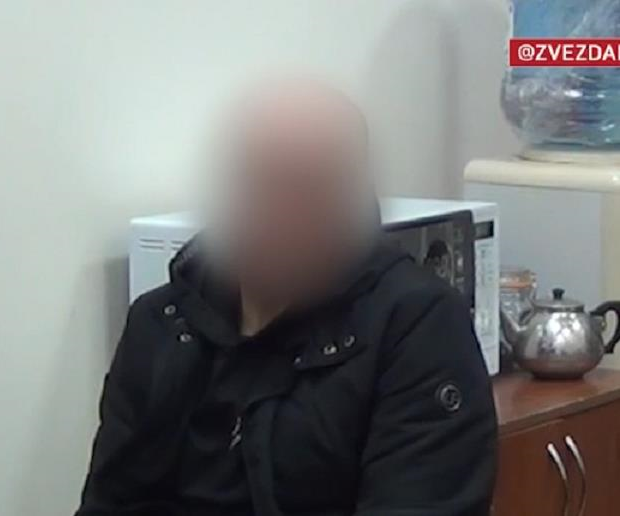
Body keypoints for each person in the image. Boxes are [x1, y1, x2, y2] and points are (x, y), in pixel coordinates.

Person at [76, 80, 497, 516]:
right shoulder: (162, 324)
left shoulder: (416, 327)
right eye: (262, 183)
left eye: (309, 187)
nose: (282, 213)